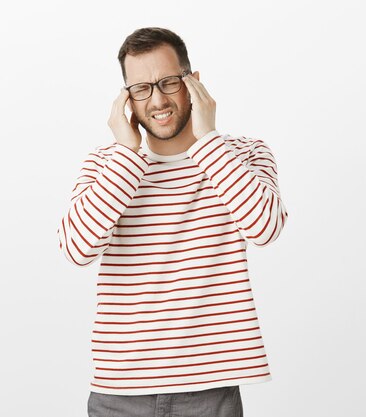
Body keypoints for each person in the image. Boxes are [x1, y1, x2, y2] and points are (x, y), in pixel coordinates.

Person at [56, 26, 288, 417]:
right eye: (141, 88)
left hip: (211, 391)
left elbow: (265, 229)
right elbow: (77, 250)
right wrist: (127, 155)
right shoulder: (105, 166)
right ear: (126, 99)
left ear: (194, 83)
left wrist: (209, 140)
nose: (158, 99)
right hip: (120, 393)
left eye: (168, 82)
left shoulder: (243, 155)